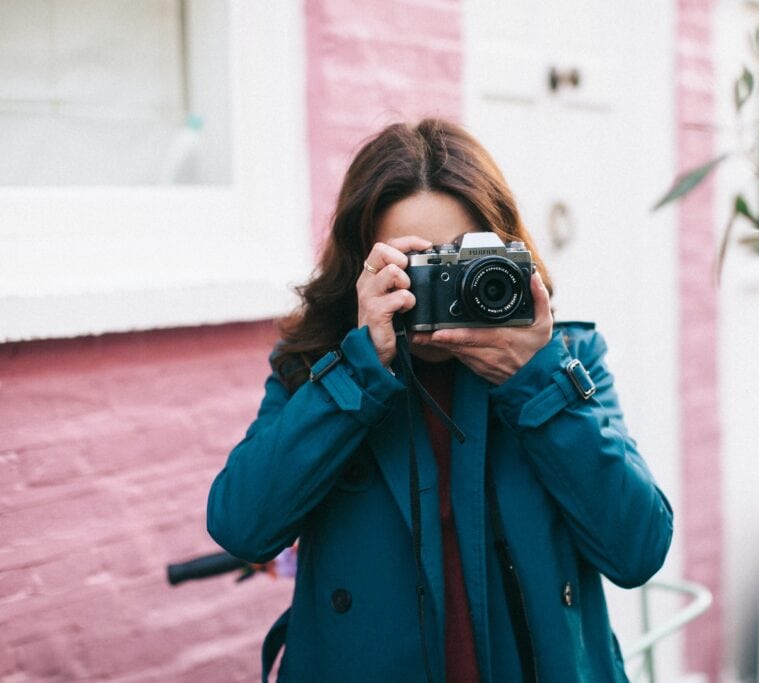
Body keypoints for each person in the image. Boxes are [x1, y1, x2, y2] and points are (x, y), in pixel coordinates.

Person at [206, 119, 673, 682]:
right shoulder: (321, 369)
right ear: (364, 267)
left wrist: (535, 382)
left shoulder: (565, 360)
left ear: (506, 254)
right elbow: (241, 525)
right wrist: (357, 372)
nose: (449, 290)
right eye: (422, 265)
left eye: (464, 262)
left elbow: (638, 550)